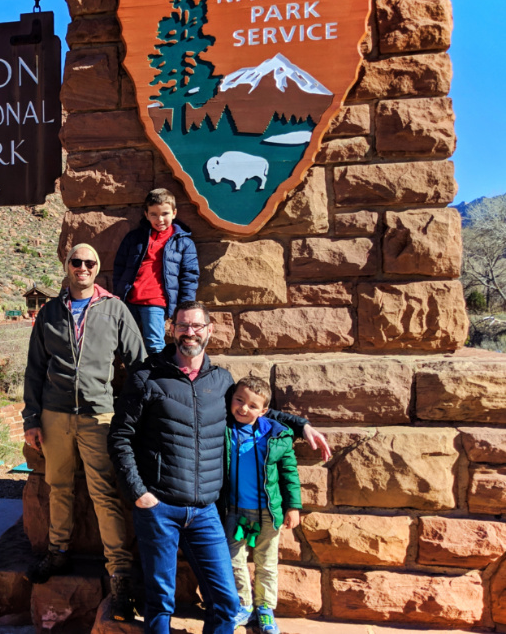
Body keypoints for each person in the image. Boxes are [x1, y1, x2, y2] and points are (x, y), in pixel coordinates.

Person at [108, 301, 331, 634]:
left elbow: (253, 410)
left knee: (227, 606)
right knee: (160, 603)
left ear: (209, 331)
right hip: (159, 507)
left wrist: (301, 426)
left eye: (197, 326)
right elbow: (119, 438)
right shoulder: (147, 377)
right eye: (183, 326)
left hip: (206, 511)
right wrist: (139, 493)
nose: (190, 333)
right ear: (173, 329)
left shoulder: (222, 382)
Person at [22, 243, 145, 621]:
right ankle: (57, 553)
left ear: (97, 269)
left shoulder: (114, 309)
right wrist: (31, 418)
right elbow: (34, 369)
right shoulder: (50, 313)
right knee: (58, 486)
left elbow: (138, 362)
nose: (83, 268)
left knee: (104, 492)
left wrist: (136, 415)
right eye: (76, 262)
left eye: (90, 263)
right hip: (55, 416)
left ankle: (120, 570)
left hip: (100, 416)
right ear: (67, 265)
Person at [223, 376, 302, 634]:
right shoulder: (224, 429)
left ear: (264, 411)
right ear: (231, 399)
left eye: (252, 406)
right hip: (234, 510)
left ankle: (265, 608)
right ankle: (243, 606)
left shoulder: (277, 435)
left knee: (266, 561)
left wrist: (293, 507)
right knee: (234, 560)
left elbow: (289, 473)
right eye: (239, 400)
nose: (244, 409)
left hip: (268, 512)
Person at [112, 188, 199, 355]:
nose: (160, 219)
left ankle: (156, 380)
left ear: (174, 213)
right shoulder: (134, 238)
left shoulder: (184, 243)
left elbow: (189, 277)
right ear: (146, 214)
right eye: (154, 214)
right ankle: (135, 379)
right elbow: (120, 267)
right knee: (122, 344)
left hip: (156, 303)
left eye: (165, 213)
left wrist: (185, 308)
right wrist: (118, 293)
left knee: (154, 345)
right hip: (129, 300)